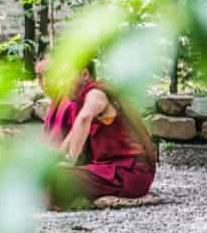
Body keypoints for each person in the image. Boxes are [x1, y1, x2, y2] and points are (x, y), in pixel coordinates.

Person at [35, 53, 157, 207]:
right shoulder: (81, 99)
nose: (61, 84)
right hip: (107, 170)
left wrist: (69, 162)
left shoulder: (96, 94)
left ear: (84, 75)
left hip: (130, 173)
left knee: (58, 178)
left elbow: (84, 118)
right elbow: (73, 134)